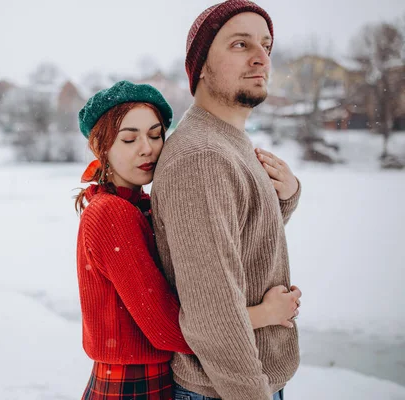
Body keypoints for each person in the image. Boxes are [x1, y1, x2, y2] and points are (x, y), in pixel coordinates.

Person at [75, 80, 300, 400]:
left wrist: (285, 198)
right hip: (133, 388)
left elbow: (233, 243)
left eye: (155, 135)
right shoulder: (112, 215)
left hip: (151, 379)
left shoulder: (138, 206)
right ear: (102, 147)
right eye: (129, 138)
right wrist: (266, 314)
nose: (147, 148)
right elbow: (168, 329)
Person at [150, 1, 303, 399]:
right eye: (240, 44)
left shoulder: (225, 141)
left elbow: (237, 241)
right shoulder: (203, 156)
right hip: (226, 389)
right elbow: (212, 316)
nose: (261, 59)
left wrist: (286, 198)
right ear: (200, 64)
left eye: (267, 46)